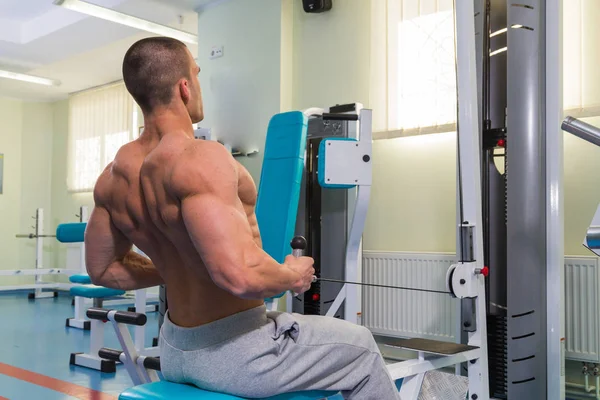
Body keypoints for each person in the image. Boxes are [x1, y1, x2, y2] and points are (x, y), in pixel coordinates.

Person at [84, 36, 399, 400]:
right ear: (185, 88)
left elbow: (103, 269)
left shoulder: (112, 177)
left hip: (173, 349)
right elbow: (237, 275)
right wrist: (291, 275)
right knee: (361, 347)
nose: (199, 85)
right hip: (237, 353)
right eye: (197, 75)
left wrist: (176, 267)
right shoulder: (201, 158)